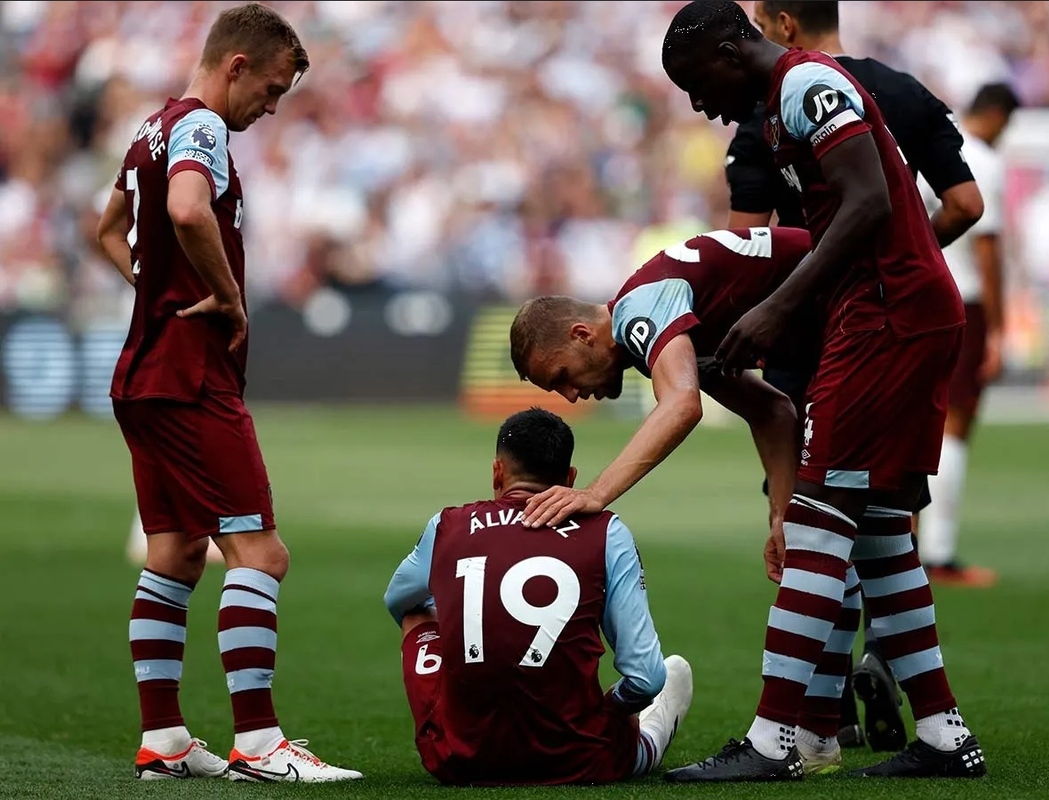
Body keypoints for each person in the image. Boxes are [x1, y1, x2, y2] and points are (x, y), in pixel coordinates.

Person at [651, 0, 984, 780]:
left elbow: (867, 201)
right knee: (873, 532)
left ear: (734, 50)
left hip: (884, 315)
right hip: (889, 310)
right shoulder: (780, 107)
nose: (700, 106)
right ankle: (941, 734)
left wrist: (780, 304)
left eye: (698, 84)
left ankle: (775, 742)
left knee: (814, 517)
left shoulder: (808, 86)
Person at [95, 2, 361, 782]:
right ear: (237, 65)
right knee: (260, 553)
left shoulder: (152, 126)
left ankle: (165, 740)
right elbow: (184, 208)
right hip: (189, 377)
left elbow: (106, 229)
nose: (272, 105)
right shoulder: (202, 126)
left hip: (143, 372)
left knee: (175, 553)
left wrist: (159, 293)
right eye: (272, 87)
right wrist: (224, 295)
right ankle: (258, 744)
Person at [511, 225, 867, 777]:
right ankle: (836, 734)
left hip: (874, 312)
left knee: (866, 535)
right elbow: (772, 411)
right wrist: (779, 512)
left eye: (561, 377)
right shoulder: (679, 322)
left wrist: (594, 493)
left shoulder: (639, 309)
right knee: (850, 534)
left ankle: (824, 737)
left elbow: (682, 405)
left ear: (583, 334)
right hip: (864, 317)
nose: (572, 396)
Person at [383, 407, 694, 786]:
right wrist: (612, 709)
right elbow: (646, 679)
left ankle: (461, 726)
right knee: (671, 674)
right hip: (583, 761)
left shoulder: (447, 525)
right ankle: (639, 741)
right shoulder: (607, 532)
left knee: (418, 615)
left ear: (497, 472)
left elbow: (398, 600)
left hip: (456, 761)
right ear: (571, 478)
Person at [917, 83, 1020, 586]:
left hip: (920, 297)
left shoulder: (930, 142)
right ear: (999, 116)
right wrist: (999, 330)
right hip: (965, 301)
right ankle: (938, 552)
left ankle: (907, 540)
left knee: (915, 422)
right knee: (956, 424)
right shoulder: (982, 159)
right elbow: (986, 249)